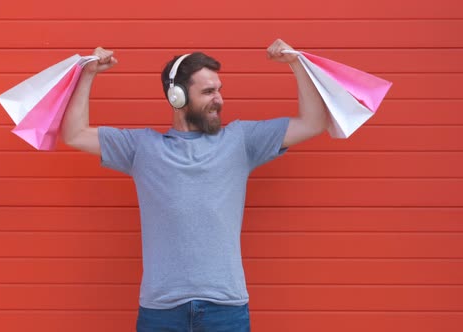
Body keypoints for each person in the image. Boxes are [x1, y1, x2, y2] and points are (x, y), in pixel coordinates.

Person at [61, 39, 328, 331]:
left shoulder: (241, 141)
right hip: (161, 311)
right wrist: (88, 73)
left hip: (226, 309)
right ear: (177, 96)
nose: (219, 99)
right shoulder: (142, 147)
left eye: (219, 90)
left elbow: (314, 122)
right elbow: (74, 134)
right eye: (208, 91)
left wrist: (296, 64)